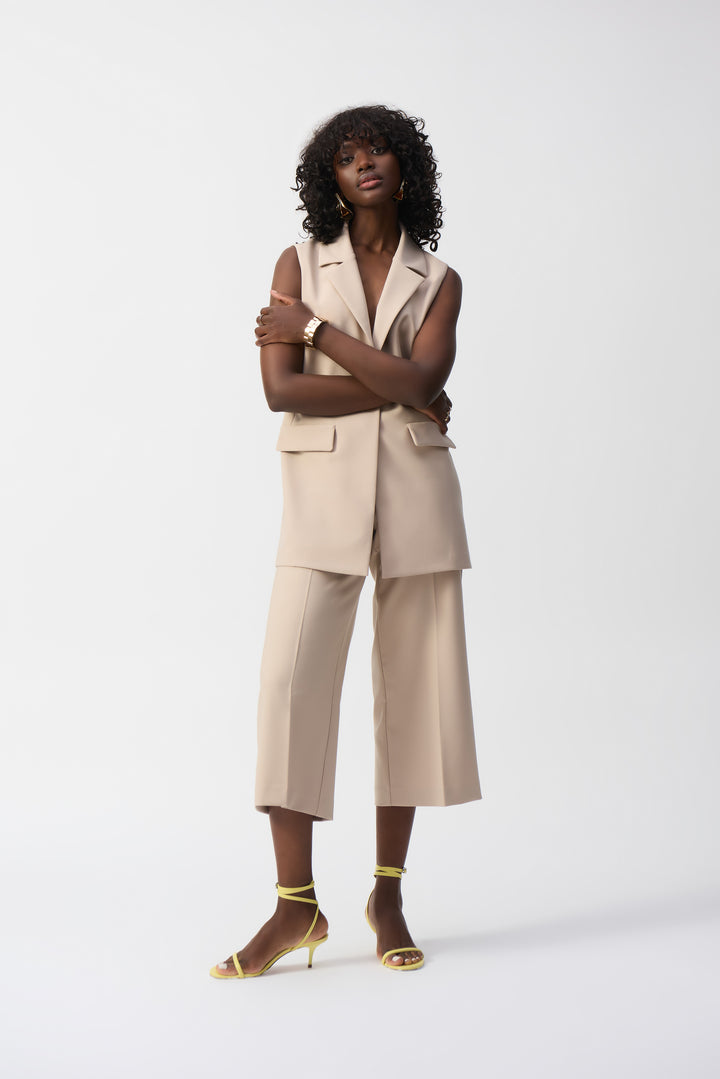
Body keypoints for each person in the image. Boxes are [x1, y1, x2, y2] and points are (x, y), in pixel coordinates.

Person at [210, 105, 481, 979]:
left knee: (415, 695)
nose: (365, 163)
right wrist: (406, 388)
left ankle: (386, 896)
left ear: (406, 169)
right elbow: (283, 391)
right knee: (289, 685)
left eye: (380, 151)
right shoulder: (297, 262)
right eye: (347, 155)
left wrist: (321, 335)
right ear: (328, 176)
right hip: (320, 492)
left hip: (418, 492)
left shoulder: (440, 279)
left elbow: (418, 372)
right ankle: (295, 905)